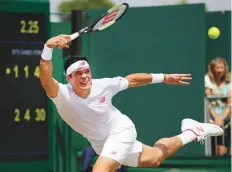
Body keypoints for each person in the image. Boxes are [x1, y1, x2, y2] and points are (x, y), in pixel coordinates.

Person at [40, 34, 223, 172]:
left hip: (121, 131)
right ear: (68, 78)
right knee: (156, 158)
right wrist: (48, 47)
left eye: (87, 71)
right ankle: (192, 132)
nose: (85, 76)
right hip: (101, 143)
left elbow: (131, 80)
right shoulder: (62, 94)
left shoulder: (103, 85)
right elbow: (45, 77)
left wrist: (163, 77)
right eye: (78, 74)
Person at [205, 57, 231, 156]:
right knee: (212, 149)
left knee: (222, 149)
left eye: (221, 67)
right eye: (217, 68)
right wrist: (215, 118)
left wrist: (221, 118)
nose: (220, 70)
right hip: (211, 119)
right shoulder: (208, 80)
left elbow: (230, 103)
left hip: (226, 120)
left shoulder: (229, 81)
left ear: (225, 68)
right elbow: (209, 101)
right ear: (212, 69)